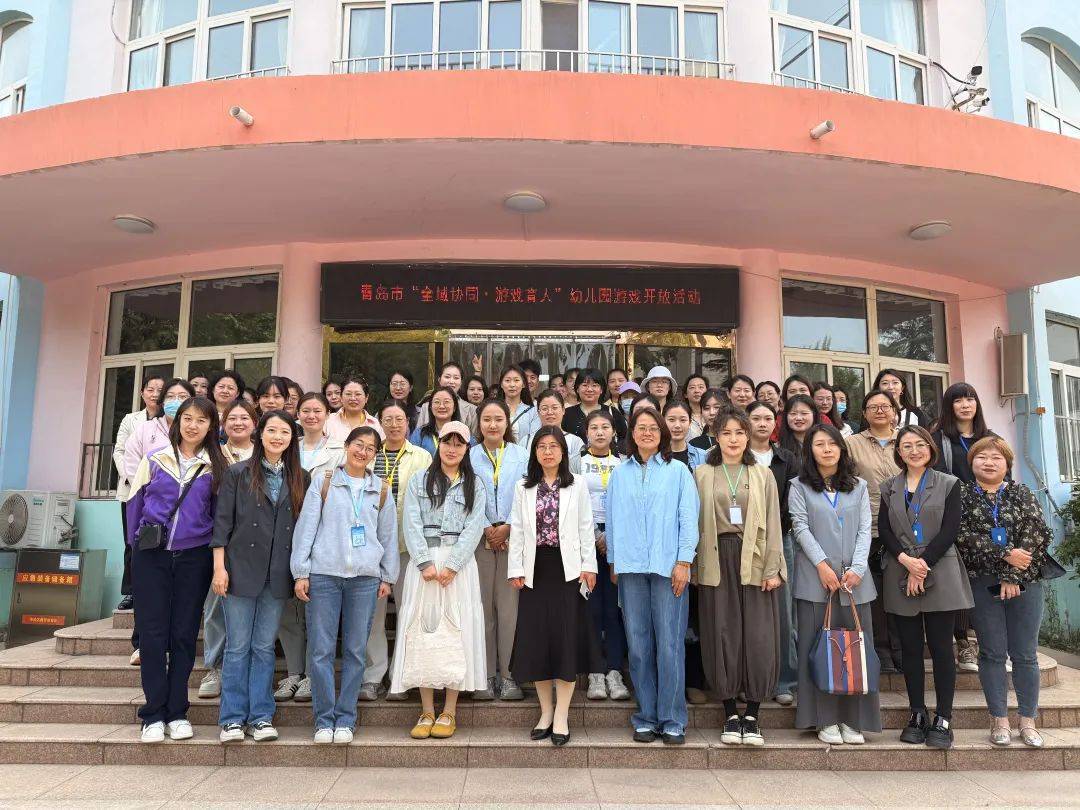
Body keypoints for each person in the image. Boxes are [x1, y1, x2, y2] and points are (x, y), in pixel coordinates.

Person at [125, 397, 227, 742]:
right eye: (187, 418)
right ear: (178, 421)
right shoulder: (155, 459)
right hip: (151, 556)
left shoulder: (216, 466)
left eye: (201, 420)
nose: (193, 425)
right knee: (152, 635)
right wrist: (137, 546)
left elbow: (219, 516)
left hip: (194, 558)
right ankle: (153, 714)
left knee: (183, 634)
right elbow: (134, 506)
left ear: (211, 426)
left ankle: (177, 711)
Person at [290, 426, 398, 743]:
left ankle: (346, 719)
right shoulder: (324, 481)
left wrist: (387, 575)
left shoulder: (381, 489)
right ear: (347, 446)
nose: (362, 452)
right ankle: (324, 719)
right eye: (358, 445)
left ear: (375, 455)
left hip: (364, 579)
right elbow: (306, 528)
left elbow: (388, 535)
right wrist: (301, 571)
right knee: (321, 650)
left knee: (355, 651)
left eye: (370, 448)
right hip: (324, 574)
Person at [212, 410, 308, 743]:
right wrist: (219, 567)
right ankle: (232, 719)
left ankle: (262, 717)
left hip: (278, 574)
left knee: (264, 647)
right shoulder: (238, 473)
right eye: (272, 430)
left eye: (285, 432)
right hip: (239, 570)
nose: (278, 437)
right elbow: (222, 523)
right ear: (260, 434)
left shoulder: (301, 477)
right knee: (238, 647)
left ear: (291, 439)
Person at [606, 407, 699, 745]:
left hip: (668, 567)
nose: (647, 433)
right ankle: (645, 716)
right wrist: (614, 561)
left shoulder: (678, 472)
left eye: (653, 428)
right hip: (630, 568)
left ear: (663, 434)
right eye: (640, 427)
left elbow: (689, 519)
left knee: (670, 645)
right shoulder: (620, 474)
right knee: (639, 645)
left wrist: (684, 561)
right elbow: (612, 519)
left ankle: (673, 719)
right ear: (631, 433)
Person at [878, 425, 972, 750]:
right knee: (910, 647)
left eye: (920, 444)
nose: (914, 451)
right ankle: (917, 712)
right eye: (907, 446)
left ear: (930, 448)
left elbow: (950, 529)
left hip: (939, 569)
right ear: (899, 452)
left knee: (942, 647)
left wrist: (922, 564)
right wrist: (907, 561)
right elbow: (884, 530)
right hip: (901, 570)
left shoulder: (948, 483)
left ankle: (943, 717)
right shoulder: (889, 487)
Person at [392, 422, 488, 740]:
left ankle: (449, 710)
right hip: (425, 566)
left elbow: (474, 527)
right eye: (447, 442)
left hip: (459, 568)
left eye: (459, 444)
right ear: (438, 443)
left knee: (458, 632)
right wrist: (424, 562)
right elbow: (411, 521)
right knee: (423, 630)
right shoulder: (420, 480)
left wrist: (453, 565)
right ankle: (426, 710)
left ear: (467, 449)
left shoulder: (475, 484)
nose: (452, 449)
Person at [695, 407, 783, 747]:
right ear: (716, 436)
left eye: (739, 433)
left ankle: (754, 714)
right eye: (726, 432)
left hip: (755, 558)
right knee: (722, 632)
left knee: (759, 635)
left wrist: (774, 567)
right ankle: (730, 711)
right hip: (716, 558)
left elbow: (773, 522)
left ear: (748, 436)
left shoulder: (762, 474)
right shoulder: (702, 473)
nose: (733, 439)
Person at [958, 436, 1054, 748]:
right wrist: (1004, 555)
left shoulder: (1021, 492)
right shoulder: (962, 495)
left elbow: (1037, 532)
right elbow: (962, 536)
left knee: (1025, 654)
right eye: (982, 457)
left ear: (1007, 463)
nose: (989, 462)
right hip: (982, 581)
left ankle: (1028, 720)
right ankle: (998, 718)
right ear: (972, 462)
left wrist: (1012, 574)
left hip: (1025, 580)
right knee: (992, 652)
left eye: (996, 457)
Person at [507, 426, 600, 746]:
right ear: (534, 452)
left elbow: (586, 527)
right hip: (535, 570)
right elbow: (518, 529)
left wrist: (589, 566)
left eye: (553, 446)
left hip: (568, 571)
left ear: (563, 451)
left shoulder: (577, 484)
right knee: (538, 642)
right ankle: (545, 712)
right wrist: (516, 568)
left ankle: (562, 715)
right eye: (542, 447)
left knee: (564, 641)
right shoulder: (523, 487)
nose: (548, 452)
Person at [788, 424, 880, 743]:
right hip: (816, 580)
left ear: (841, 448)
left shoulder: (859, 486)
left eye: (832, 443)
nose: (827, 449)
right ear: (809, 451)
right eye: (819, 444)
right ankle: (823, 720)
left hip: (855, 582)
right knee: (818, 650)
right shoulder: (799, 486)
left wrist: (858, 567)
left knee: (855, 651)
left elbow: (865, 529)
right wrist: (822, 565)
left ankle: (855, 721)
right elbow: (799, 527)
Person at [274, 393, 344, 704]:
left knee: (315, 611)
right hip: (283, 532)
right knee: (288, 610)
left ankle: (313, 676)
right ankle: (293, 672)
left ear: (328, 414)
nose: (312, 415)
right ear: (297, 414)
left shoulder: (339, 451)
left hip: (323, 535)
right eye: (306, 410)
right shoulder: (287, 446)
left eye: (318, 410)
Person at [364, 399, 432, 701]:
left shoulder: (422, 457)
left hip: (407, 547)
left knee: (409, 613)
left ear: (409, 423)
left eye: (399, 419)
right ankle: (373, 675)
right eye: (388, 419)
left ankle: (403, 676)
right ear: (379, 422)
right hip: (371, 548)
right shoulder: (368, 453)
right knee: (372, 616)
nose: (393, 425)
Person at [931, 381, 998, 674]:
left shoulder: (990, 438)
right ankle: (963, 643)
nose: (965, 404)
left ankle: (991, 643)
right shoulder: (939, 438)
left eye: (970, 399)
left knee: (986, 577)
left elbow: (1004, 473)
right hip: (954, 515)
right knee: (959, 578)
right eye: (958, 400)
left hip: (988, 517)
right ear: (950, 406)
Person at [470, 399, 531, 700]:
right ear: (478, 423)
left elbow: (528, 494)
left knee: (509, 611)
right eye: (487, 419)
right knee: (481, 609)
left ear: (507, 423)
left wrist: (508, 525)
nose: (492, 425)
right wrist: (484, 526)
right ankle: (483, 675)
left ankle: (508, 676)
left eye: (498, 419)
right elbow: (464, 494)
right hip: (477, 539)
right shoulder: (469, 455)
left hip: (513, 538)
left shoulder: (521, 455)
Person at [746, 401, 800, 706]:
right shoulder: (737, 455)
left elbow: (792, 501)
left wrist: (770, 526)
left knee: (783, 611)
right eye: (756, 418)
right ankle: (751, 677)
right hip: (742, 541)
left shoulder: (786, 458)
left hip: (780, 539)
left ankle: (784, 680)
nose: (763, 423)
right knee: (749, 611)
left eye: (768, 418)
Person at [846, 389, 903, 673]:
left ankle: (902, 649)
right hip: (868, 527)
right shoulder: (851, 444)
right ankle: (881, 650)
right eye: (873, 407)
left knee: (901, 589)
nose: (880, 411)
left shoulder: (907, 440)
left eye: (885, 406)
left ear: (895, 411)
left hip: (904, 527)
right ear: (864, 413)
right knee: (875, 592)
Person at [580, 411, 630, 701]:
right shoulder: (576, 463)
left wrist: (610, 536)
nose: (600, 432)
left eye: (605, 427)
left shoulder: (623, 464)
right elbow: (572, 502)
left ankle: (614, 670)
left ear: (614, 432)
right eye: (594, 427)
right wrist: (594, 535)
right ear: (586, 433)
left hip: (617, 543)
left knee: (614, 610)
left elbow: (628, 504)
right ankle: (595, 672)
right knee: (591, 610)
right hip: (585, 544)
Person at [113, 373, 164, 613]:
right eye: (150, 389)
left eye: (159, 390)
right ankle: (131, 591)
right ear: (142, 393)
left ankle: (155, 588)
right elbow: (119, 451)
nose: (154, 394)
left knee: (157, 540)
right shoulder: (130, 419)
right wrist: (133, 478)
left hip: (161, 491)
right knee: (132, 541)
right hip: (132, 490)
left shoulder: (170, 421)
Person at [563, 368, 627, 443]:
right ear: (577, 389)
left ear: (601, 390)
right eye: (585, 385)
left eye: (594, 385)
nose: (589, 389)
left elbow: (624, 440)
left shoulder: (612, 412)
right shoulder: (566, 414)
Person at [417, 362, 478, 434]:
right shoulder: (425, 407)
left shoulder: (472, 410)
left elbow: (474, 438)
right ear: (439, 380)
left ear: (461, 382)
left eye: (456, 378)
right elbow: (419, 435)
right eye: (447, 377)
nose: (451, 381)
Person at [531, 390, 583, 472]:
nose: (550, 412)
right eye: (544, 409)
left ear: (563, 410)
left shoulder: (576, 442)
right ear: (538, 412)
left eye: (554, 408)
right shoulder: (527, 440)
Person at [327, 376, 384, 443]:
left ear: (366, 398)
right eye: (348, 394)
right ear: (341, 397)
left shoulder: (375, 424)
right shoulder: (328, 420)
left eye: (358, 394)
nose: (353, 398)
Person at [409, 386, 463, 455]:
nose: (441, 406)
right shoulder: (419, 434)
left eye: (446, 402)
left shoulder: (463, 433)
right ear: (430, 407)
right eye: (437, 402)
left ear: (454, 407)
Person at [495, 364, 540, 446]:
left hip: (524, 453)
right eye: (507, 380)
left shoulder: (533, 411)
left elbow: (533, 440)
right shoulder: (494, 409)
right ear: (501, 384)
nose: (512, 385)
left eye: (516, 380)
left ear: (523, 384)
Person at [664, 401, 708, 471]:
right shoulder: (655, 456)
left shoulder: (702, 456)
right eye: (671, 420)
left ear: (690, 422)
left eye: (683, 420)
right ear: (663, 421)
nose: (677, 425)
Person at [777, 394, 820, 458]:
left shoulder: (825, 444)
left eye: (804, 413)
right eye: (793, 413)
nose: (798, 418)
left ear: (814, 415)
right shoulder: (777, 447)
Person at [221, 400, 256, 464]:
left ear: (254, 424)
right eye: (232, 418)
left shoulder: (264, 453)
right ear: (224, 424)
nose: (238, 423)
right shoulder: (216, 454)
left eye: (244, 418)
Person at [683, 374, 709, 439]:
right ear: (685, 394)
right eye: (692, 387)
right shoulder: (682, 416)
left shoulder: (713, 414)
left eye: (701, 387)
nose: (697, 391)